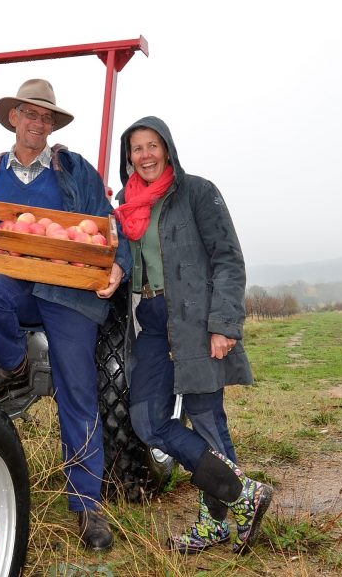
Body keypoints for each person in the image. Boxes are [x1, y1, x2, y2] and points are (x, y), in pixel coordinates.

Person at [0, 78, 131, 551]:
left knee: (77, 391)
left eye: (46, 117)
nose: (38, 123)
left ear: (51, 125)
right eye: (29, 113)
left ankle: (87, 507)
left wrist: (118, 266)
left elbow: (108, 226)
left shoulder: (74, 168)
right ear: (13, 117)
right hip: (16, 285)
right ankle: (15, 363)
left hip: (68, 293)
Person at [114, 115, 272, 555]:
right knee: (147, 420)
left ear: (167, 148)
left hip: (195, 318)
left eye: (152, 145)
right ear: (127, 156)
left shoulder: (198, 192)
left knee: (205, 419)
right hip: (149, 319)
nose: (145, 155)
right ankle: (245, 494)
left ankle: (214, 522)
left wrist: (223, 325)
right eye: (136, 148)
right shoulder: (125, 206)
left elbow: (228, 259)